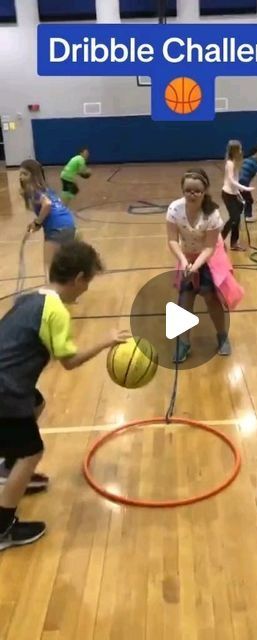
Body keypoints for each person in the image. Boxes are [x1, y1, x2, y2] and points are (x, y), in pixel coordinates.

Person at [0, 240, 129, 551]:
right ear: (79, 278)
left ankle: (8, 468)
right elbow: (69, 362)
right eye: (88, 283)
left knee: (38, 403)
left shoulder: (32, 298)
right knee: (33, 452)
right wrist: (105, 342)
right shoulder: (56, 311)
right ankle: (2, 528)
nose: (85, 291)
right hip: (6, 389)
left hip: (10, 383)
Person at [166, 169, 244, 363]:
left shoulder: (212, 215)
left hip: (209, 256)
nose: (192, 194)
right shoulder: (174, 210)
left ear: (204, 191)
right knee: (185, 298)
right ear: (182, 190)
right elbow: (172, 241)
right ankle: (183, 342)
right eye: (188, 190)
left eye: (197, 191)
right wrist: (185, 263)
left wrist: (197, 266)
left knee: (210, 297)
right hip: (187, 255)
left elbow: (210, 246)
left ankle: (221, 336)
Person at [19, 159, 76, 282]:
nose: (21, 177)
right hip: (69, 224)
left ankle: (50, 293)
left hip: (56, 228)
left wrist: (37, 222)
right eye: (21, 174)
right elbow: (50, 209)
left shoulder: (35, 191)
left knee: (48, 265)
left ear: (34, 175)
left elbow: (47, 205)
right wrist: (37, 223)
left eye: (25, 174)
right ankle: (69, 292)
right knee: (63, 262)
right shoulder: (48, 190)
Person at [221, 140, 254, 251]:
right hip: (227, 194)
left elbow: (234, 180)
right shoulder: (230, 163)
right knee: (234, 217)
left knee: (237, 219)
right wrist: (245, 188)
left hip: (233, 194)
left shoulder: (234, 162)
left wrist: (238, 193)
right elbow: (230, 180)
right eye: (239, 149)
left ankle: (234, 243)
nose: (241, 151)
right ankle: (220, 240)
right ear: (235, 150)